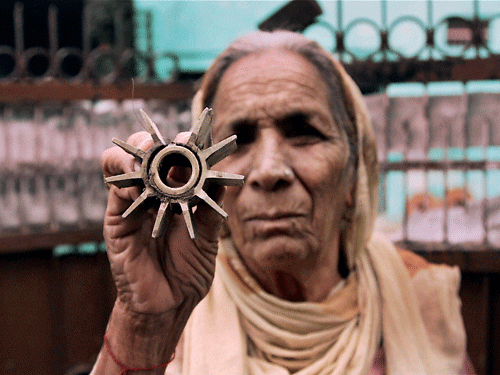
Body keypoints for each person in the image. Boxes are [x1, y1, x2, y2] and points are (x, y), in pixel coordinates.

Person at [93, 30, 472, 374]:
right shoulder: (178, 312)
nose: (269, 170)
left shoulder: (419, 299)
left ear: (355, 170)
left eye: (304, 133)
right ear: (202, 171)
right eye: (238, 139)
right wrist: (146, 328)